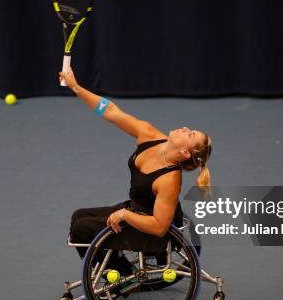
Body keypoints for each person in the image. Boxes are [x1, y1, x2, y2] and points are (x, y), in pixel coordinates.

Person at [59, 68, 212, 261]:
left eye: (190, 134)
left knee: (82, 228)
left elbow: (159, 227)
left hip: (148, 233)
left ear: (184, 153)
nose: (184, 128)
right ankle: (117, 272)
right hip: (135, 211)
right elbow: (111, 111)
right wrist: (76, 87)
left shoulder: (170, 180)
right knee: (78, 217)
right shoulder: (151, 135)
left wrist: (125, 215)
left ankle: (117, 277)